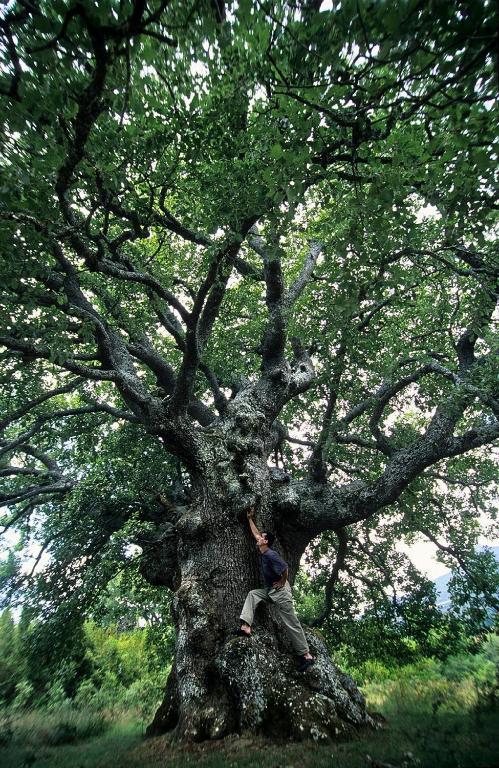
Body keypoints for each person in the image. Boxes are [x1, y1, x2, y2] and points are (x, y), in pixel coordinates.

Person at [233, 508, 315, 672]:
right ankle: (246, 628)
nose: (258, 538)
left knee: (291, 622)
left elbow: (285, 568)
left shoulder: (271, 554)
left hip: (281, 593)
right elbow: (255, 534)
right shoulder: (262, 549)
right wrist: (250, 519)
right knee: (253, 594)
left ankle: (307, 656)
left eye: (262, 537)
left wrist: (282, 581)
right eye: (260, 536)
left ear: (266, 542)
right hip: (270, 591)